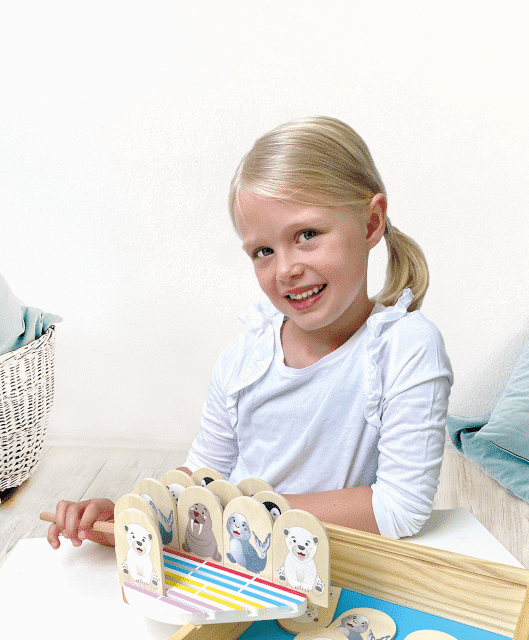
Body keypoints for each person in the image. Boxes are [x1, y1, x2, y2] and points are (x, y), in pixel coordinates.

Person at [47, 116, 452, 551]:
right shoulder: (244, 359)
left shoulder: (406, 348)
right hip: (234, 564)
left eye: (307, 235)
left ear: (371, 223)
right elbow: (203, 474)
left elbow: (401, 507)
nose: (286, 269)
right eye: (263, 251)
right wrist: (135, 513)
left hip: (325, 567)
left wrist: (241, 511)